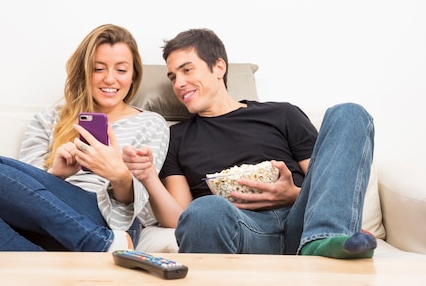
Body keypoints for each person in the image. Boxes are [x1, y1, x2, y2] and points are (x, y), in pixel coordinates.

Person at [0, 24, 169, 252]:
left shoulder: (151, 123)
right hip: (44, 222)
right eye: (98, 68)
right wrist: (56, 176)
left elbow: (143, 206)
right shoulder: (48, 120)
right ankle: (47, 260)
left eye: (121, 70)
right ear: (83, 71)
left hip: (105, 219)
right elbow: (19, 194)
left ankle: (97, 242)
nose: (109, 79)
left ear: (134, 75)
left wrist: (119, 176)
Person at [124, 28, 377, 258]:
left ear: (219, 67)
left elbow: (329, 183)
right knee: (204, 211)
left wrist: (292, 196)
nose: (179, 84)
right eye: (172, 77)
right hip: (242, 230)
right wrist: (147, 176)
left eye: (187, 70)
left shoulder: (282, 114)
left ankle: (323, 238)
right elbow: (181, 217)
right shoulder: (177, 137)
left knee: (350, 113)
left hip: (301, 221)